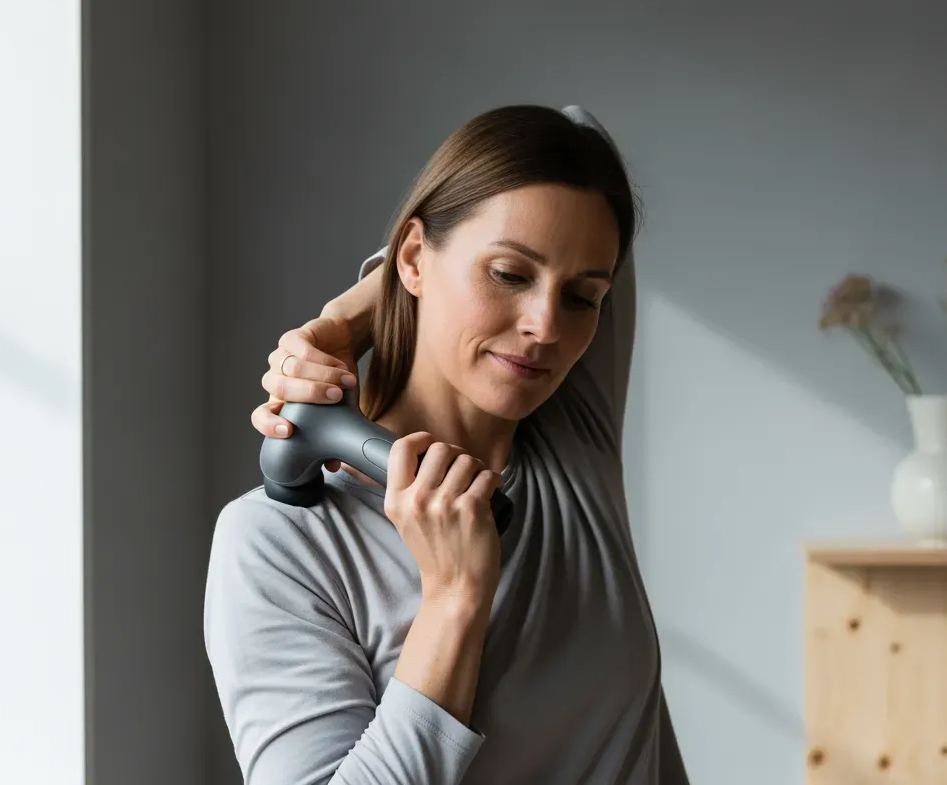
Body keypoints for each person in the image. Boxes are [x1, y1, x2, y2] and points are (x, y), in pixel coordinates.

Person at [203, 104, 690, 784]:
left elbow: (580, 132)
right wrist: (456, 597)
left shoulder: (574, 433)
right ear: (411, 257)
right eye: (509, 274)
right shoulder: (279, 543)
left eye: (582, 297)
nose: (546, 325)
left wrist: (341, 323)